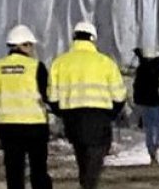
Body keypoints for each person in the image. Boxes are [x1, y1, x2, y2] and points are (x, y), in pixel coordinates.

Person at [48, 21, 126, 189]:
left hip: (73, 119)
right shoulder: (106, 63)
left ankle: (86, 183)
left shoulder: (60, 63)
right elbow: (119, 96)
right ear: (93, 39)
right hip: (99, 119)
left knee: (82, 157)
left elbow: (52, 98)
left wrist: (64, 114)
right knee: (94, 163)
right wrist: (111, 115)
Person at [0, 25, 53, 189]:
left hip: (7, 126)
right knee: (38, 170)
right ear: (24, 45)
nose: (32, 49)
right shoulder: (36, 67)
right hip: (35, 126)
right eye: (30, 45)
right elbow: (48, 95)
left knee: (14, 171)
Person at [133, 46, 159, 165]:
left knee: (149, 129)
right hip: (156, 103)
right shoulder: (158, 69)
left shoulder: (141, 68)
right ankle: (155, 149)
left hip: (144, 103)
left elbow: (136, 86)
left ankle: (152, 151)